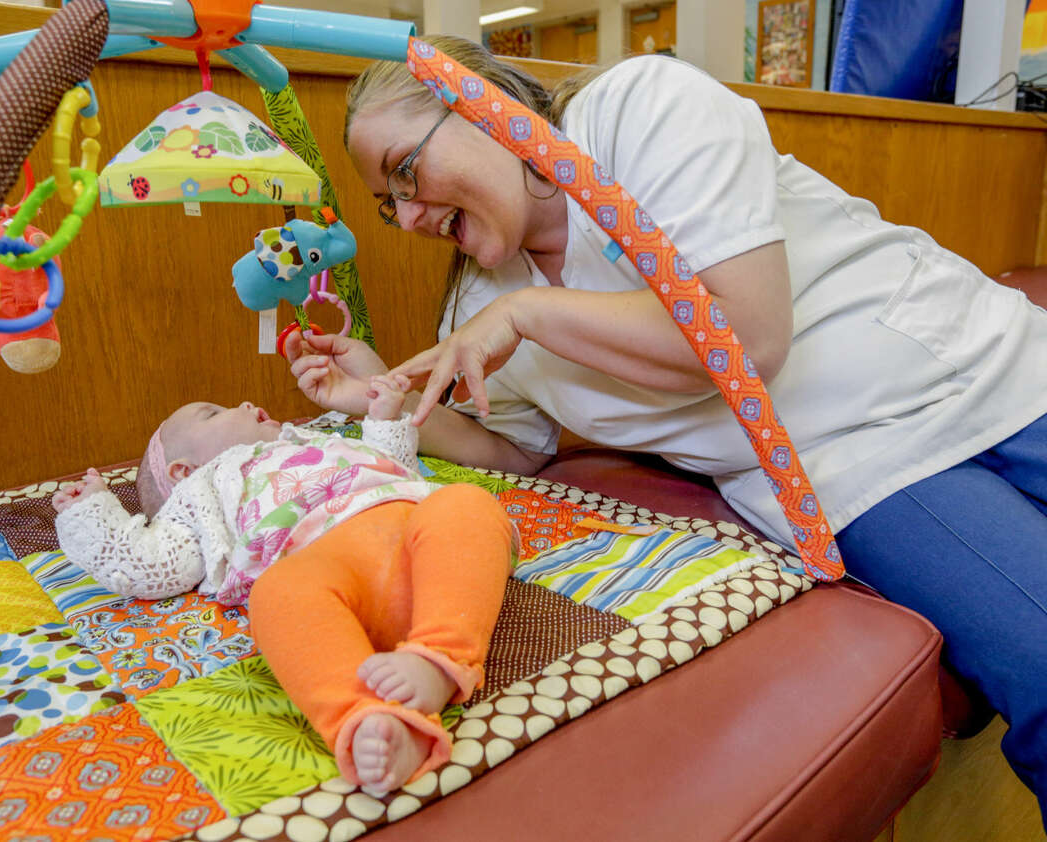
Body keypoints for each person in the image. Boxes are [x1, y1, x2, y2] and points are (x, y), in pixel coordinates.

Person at [282, 35, 1047, 820]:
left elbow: (744, 336)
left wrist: (531, 313)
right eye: (387, 203)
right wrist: (373, 398)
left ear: (485, 105)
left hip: (988, 359)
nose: (407, 217)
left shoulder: (636, 112)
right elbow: (516, 450)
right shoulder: (477, 306)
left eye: (405, 172)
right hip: (861, 468)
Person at [51, 375, 516, 796]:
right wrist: (92, 514)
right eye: (214, 412)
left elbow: (390, 464)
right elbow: (152, 565)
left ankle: (437, 659)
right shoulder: (201, 492)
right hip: (330, 568)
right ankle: (367, 721)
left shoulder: (308, 439)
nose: (247, 403)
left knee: (465, 504)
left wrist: (383, 419)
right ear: (182, 470)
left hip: (416, 538)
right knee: (275, 591)